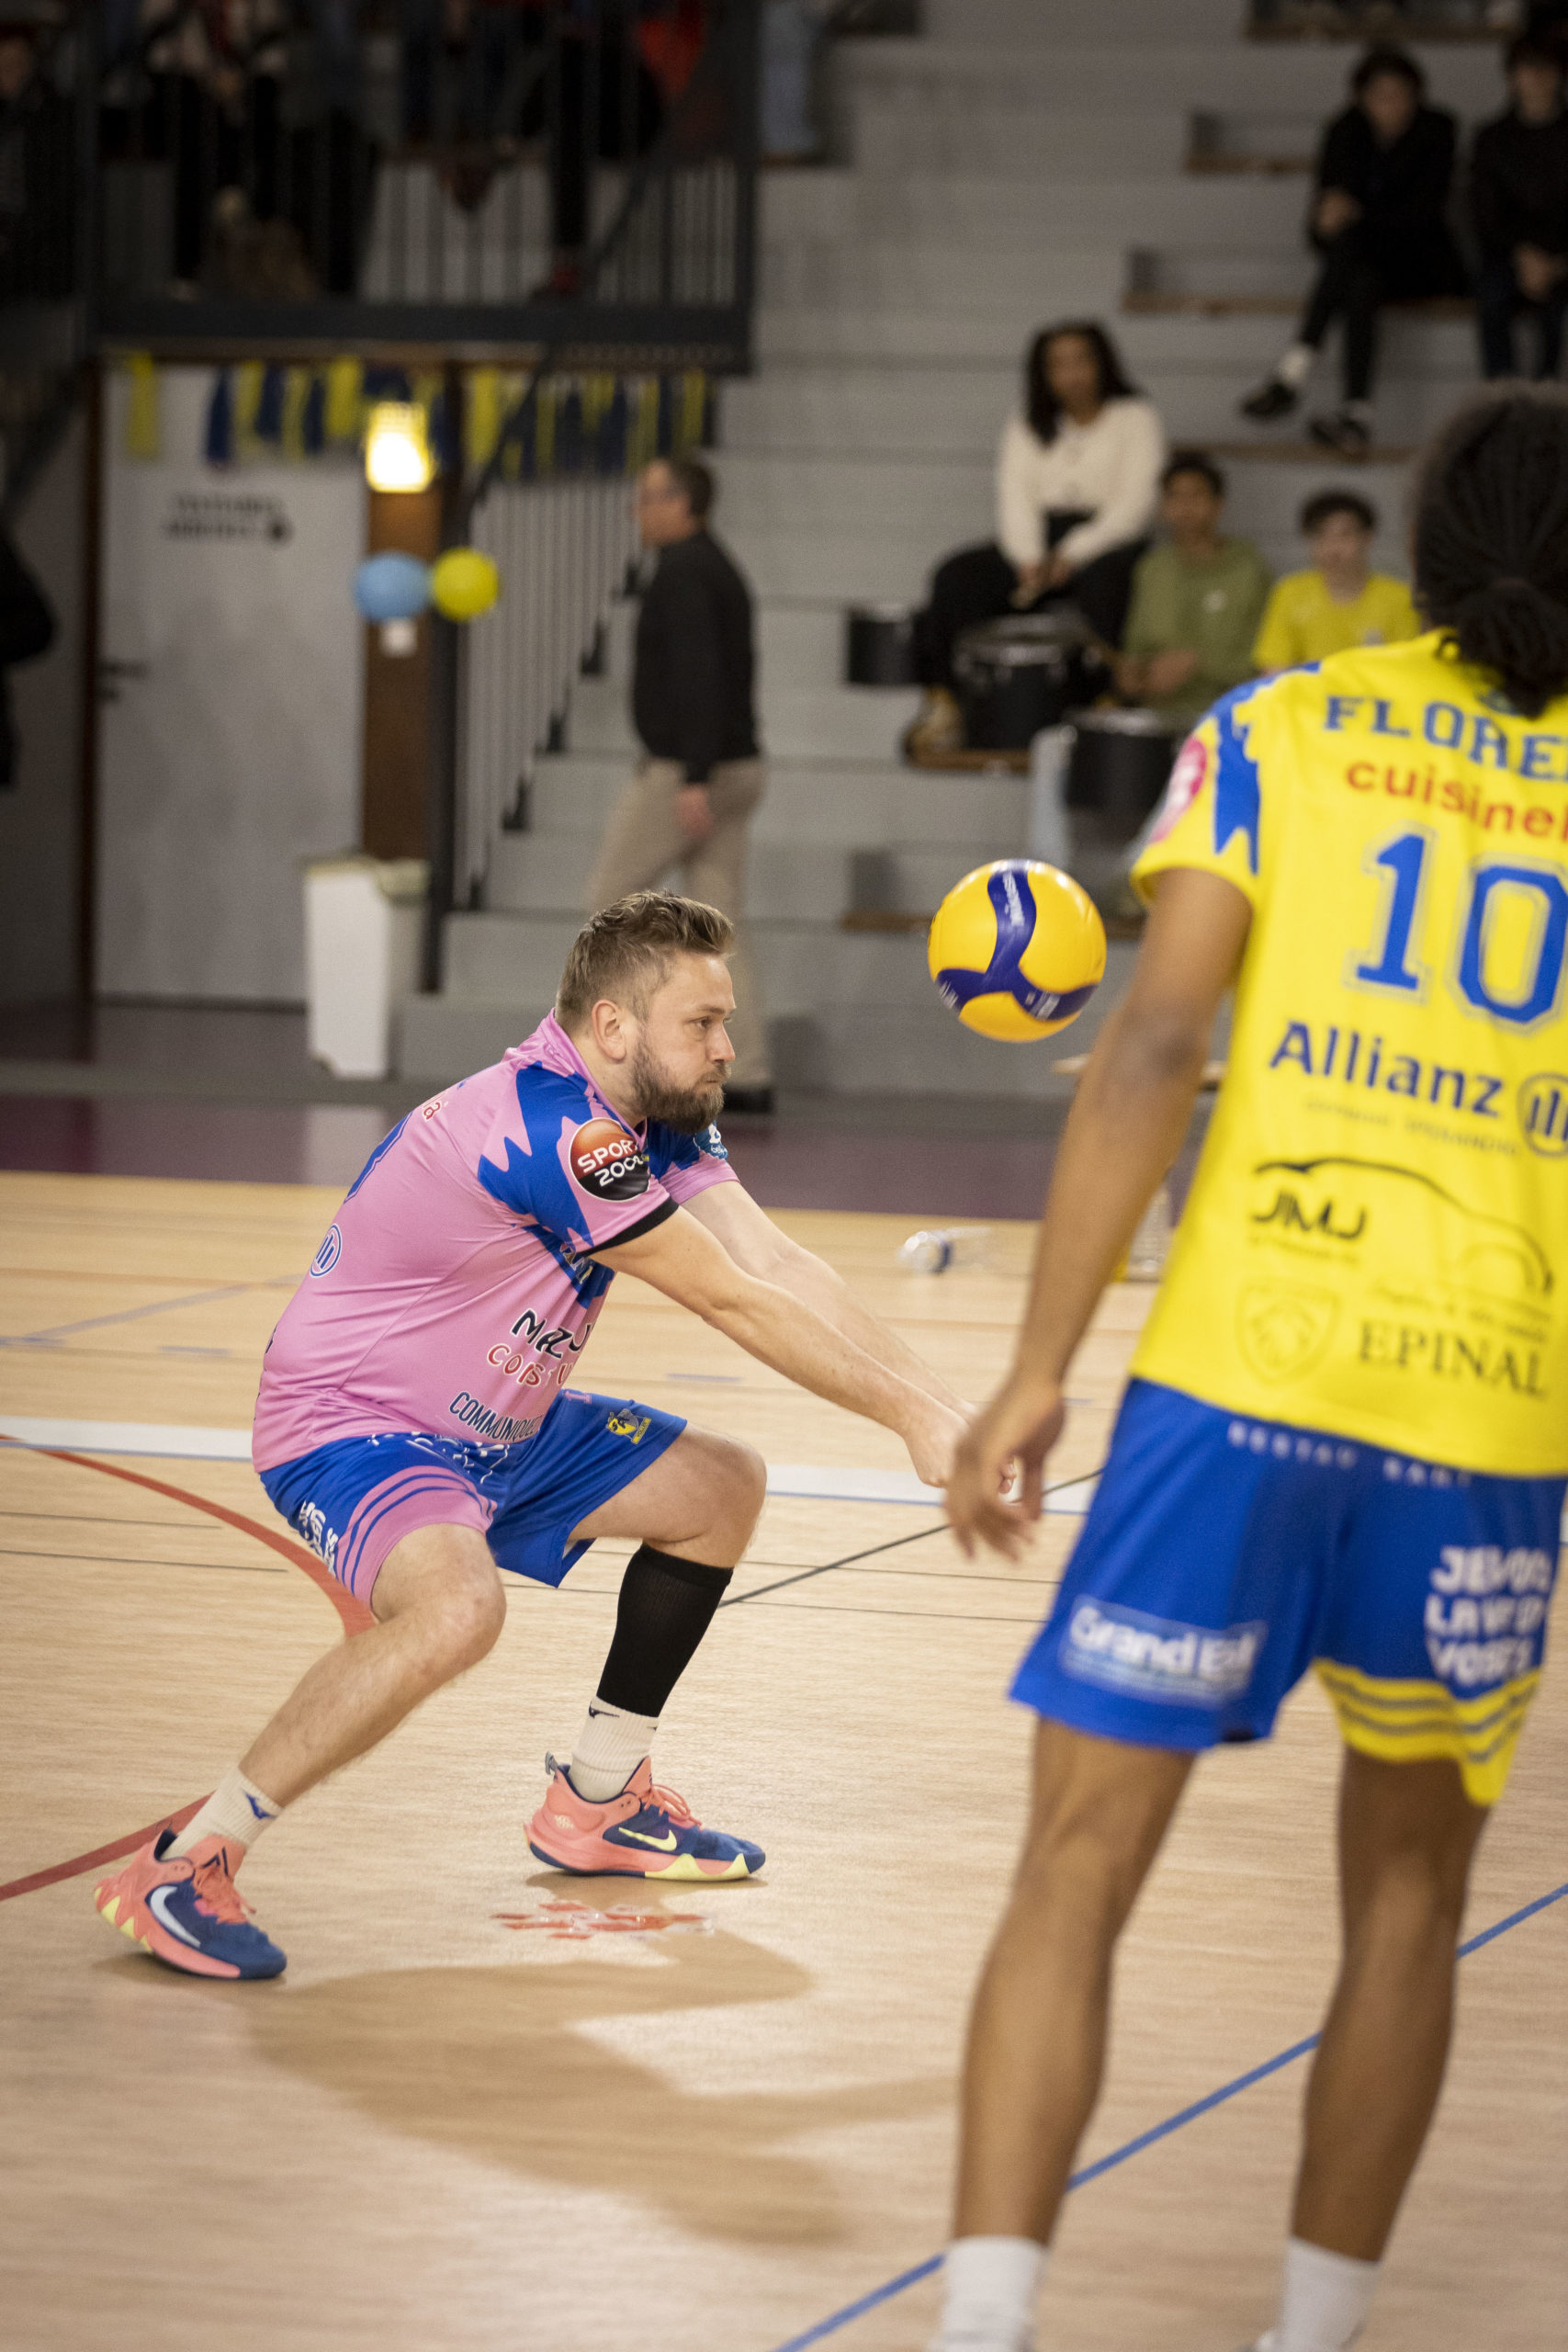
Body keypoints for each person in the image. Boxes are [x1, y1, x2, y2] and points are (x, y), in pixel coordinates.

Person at [932, 385, 1568, 2352]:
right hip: (1485, 1407)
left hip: (1237, 1373)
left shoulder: (1282, 728)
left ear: (1423, 542)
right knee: (1404, 1903)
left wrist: (1038, 1361)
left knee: (1073, 1862)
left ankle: (980, 2326)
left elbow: (1144, 1050)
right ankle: (1307, 2335)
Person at [95, 891, 967, 1981]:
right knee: (460, 1609)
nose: (728, 1047)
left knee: (720, 1490)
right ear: (613, 1027)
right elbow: (731, 1302)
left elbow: (775, 1265)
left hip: (494, 1425)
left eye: (724, 1019)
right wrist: (911, 1417)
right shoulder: (556, 1129)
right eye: (702, 1023)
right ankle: (189, 1858)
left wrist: (946, 1410)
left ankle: (597, 1802)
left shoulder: (655, 1107)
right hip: (356, 1425)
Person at [585, 455, 774, 1117]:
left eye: (648, 499)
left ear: (681, 503)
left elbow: (700, 676)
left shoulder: (684, 572)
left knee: (607, 910)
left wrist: (693, 775)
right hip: (737, 765)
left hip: (689, 772)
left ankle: (599, 1066)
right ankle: (743, 1070)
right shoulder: (713, 564)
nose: (638, 511)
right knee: (718, 922)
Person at [906, 322, 1165, 760]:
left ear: (1102, 363)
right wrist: (1028, 558)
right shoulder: (1026, 420)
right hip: (1034, 539)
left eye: (1082, 360)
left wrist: (1072, 554)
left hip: (1105, 539)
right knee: (956, 576)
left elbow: (1133, 505)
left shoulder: (1135, 417)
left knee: (1111, 581)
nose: (1072, 374)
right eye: (1058, 365)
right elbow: (1014, 496)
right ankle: (946, 699)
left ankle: (1107, 699)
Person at [1240, 47, 1467, 458]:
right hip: (1363, 267)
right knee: (1360, 278)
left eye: (1399, 94)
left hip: (1424, 262)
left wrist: (1355, 215)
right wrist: (1326, 222)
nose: (1389, 105)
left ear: (1417, 97)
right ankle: (1357, 413)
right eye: (1379, 94)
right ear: (1361, 99)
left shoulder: (1437, 129)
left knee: (1353, 250)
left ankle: (1293, 371)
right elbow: (1323, 226)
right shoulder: (1345, 131)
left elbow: (1424, 214)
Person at [1114, 451, 1269, 733]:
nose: (1185, 507)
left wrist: (1197, 663)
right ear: (1163, 506)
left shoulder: (1248, 569)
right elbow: (1135, 646)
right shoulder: (1152, 568)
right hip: (1157, 722)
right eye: (1175, 497)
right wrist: (1133, 673)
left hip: (1228, 718)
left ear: (1218, 504)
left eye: (1196, 496)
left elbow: (1264, 661)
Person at [1471, 30, 1568, 381]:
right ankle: (1502, 396)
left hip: (1560, 258)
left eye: (1547, 68)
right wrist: (1523, 254)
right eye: (1529, 68)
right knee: (1492, 296)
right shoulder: (1492, 139)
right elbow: (1484, 214)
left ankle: (1548, 403)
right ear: (1511, 77)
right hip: (1509, 255)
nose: (1538, 78)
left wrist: (1556, 262)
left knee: (1555, 310)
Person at [1254, 487, 1419, 673]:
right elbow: (1273, 669)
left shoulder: (1399, 596)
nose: (1332, 549)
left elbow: (1406, 670)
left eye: (1344, 535)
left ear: (1367, 538)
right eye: (1321, 536)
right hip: (1307, 699)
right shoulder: (1290, 591)